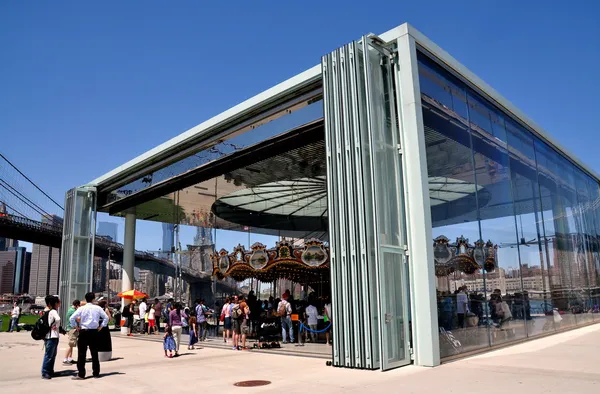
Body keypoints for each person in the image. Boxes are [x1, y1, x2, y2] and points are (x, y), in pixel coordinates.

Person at [69, 292, 109, 380]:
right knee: (94, 353)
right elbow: (106, 317)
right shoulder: (98, 308)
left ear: (85, 299)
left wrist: (75, 326)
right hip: (94, 331)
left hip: (84, 331)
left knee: (81, 353)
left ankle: (81, 374)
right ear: (93, 299)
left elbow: (71, 318)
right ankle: (96, 373)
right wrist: (102, 326)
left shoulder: (82, 308)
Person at [41, 295, 66, 380]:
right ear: (55, 303)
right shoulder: (53, 311)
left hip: (49, 336)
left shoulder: (47, 311)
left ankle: (49, 370)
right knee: (49, 355)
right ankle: (45, 372)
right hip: (52, 336)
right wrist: (57, 326)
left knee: (51, 354)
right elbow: (58, 319)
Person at [63, 299, 80, 365]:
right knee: (70, 344)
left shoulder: (71, 309)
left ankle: (70, 358)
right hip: (72, 329)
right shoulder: (73, 311)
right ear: (76, 305)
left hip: (71, 328)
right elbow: (78, 319)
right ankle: (65, 359)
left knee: (72, 345)